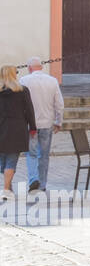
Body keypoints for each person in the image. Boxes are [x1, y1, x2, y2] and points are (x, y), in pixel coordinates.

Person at [20, 57, 63, 193]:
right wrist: (58, 121)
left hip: (30, 124)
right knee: (44, 155)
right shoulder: (52, 81)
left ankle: (33, 179)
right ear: (42, 67)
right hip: (47, 123)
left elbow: (20, 105)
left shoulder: (24, 81)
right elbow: (59, 104)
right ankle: (42, 184)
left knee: (31, 153)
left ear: (29, 68)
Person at [0, 66, 37, 202]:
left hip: (2, 128)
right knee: (11, 160)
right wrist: (33, 127)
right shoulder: (22, 90)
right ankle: (6, 189)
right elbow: (29, 110)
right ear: (13, 75)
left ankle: (7, 188)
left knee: (3, 161)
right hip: (17, 128)